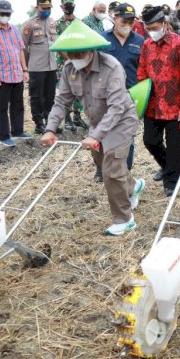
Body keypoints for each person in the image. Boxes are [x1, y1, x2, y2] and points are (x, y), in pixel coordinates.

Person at [41, 19, 145, 236]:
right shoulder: (70, 69)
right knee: (103, 163)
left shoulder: (112, 67)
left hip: (121, 122)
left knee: (111, 171)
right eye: (71, 54)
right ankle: (133, 186)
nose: (75, 58)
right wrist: (51, 128)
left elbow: (117, 108)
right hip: (98, 122)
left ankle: (124, 219)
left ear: (91, 50)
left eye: (80, 53)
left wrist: (95, 136)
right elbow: (62, 102)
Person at [137, 6, 180, 196]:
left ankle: (171, 181)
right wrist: (140, 97)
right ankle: (167, 166)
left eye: (154, 27)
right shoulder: (146, 45)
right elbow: (142, 73)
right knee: (150, 141)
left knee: (174, 146)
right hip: (152, 105)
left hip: (174, 105)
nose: (151, 31)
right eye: (148, 28)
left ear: (164, 24)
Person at [101, 3, 145, 171]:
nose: (127, 24)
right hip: (106, 95)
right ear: (114, 18)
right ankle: (104, 168)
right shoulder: (102, 39)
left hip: (131, 95)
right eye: (123, 21)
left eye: (131, 21)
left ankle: (125, 171)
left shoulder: (140, 41)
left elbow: (143, 69)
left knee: (128, 136)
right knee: (105, 133)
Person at [0, 0, 29, 147]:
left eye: (7, 13)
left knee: (18, 104)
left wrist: (25, 70)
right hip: (2, 76)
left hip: (16, 74)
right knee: (3, 107)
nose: (5, 16)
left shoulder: (14, 29)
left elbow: (20, 50)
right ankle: (4, 136)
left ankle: (18, 131)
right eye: (2, 13)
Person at [22, 0, 58, 135]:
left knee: (50, 95)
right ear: (37, 7)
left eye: (49, 8)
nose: (47, 11)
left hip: (51, 66)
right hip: (36, 67)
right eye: (44, 8)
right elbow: (23, 47)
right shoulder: (29, 24)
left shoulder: (52, 22)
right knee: (37, 96)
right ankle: (38, 123)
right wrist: (25, 67)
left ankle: (49, 122)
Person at [55, 0, 88, 132]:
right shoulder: (57, 24)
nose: (69, 7)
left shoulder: (79, 23)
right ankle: (67, 119)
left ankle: (77, 117)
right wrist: (70, 59)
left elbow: (83, 41)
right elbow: (58, 44)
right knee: (65, 91)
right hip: (64, 63)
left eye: (71, 5)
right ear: (62, 7)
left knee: (79, 89)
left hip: (79, 62)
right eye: (66, 5)